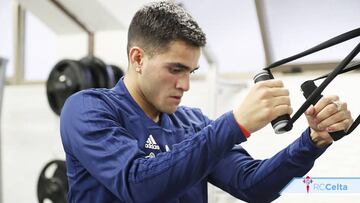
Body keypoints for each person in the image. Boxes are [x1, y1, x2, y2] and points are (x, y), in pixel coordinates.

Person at [60, 1, 353, 202]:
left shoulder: (191, 123)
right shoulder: (87, 110)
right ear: (138, 58)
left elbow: (252, 185)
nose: (185, 85)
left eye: (191, 72)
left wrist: (311, 142)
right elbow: (139, 186)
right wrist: (234, 124)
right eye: (175, 69)